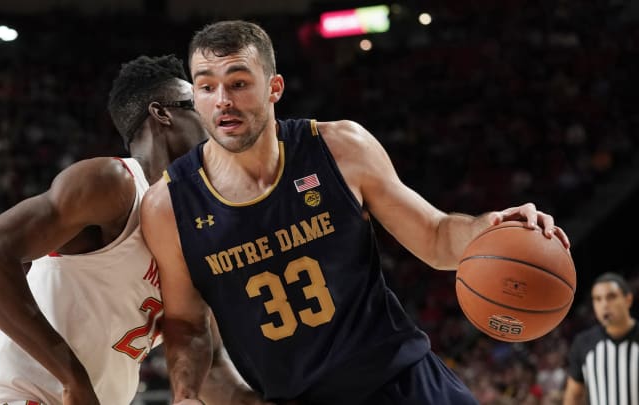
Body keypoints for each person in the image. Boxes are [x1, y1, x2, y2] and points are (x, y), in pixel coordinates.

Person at [140, 20, 572, 405]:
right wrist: (186, 393)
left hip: (403, 381)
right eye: (206, 86)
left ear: (274, 87)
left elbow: (437, 237)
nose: (222, 101)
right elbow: (188, 327)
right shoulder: (169, 205)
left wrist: (491, 228)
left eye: (238, 83)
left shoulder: (339, 148)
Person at [0, 55, 266, 405]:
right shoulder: (115, 185)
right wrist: (74, 380)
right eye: (199, 103)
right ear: (162, 114)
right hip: (11, 395)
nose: (216, 115)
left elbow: (210, 367)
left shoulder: (199, 230)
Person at [563, 272, 638, 405]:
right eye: (597, 299)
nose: (604, 305)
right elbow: (573, 396)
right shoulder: (583, 343)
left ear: (628, 300)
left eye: (611, 297)